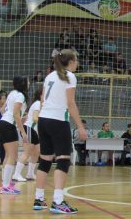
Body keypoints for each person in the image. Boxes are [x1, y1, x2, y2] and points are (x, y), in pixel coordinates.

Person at [34, 49, 87, 213]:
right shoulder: (70, 76)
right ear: (71, 62)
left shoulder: (50, 76)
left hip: (43, 120)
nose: (77, 63)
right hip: (57, 120)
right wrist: (80, 126)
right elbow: (71, 104)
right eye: (76, 60)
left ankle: (39, 199)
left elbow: (42, 100)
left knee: (45, 160)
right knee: (64, 159)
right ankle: (58, 201)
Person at [0, 76, 29, 195]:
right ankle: (5, 186)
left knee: (8, 155)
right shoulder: (20, 95)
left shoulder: (12, 93)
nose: (29, 83)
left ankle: (5, 184)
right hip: (9, 125)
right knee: (12, 155)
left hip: (3, 123)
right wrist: (23, 132)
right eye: (27, 81)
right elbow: (15, 114)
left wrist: (20, 118)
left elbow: (2, 110)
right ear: (23, 83)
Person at [13, 87, 42, 182]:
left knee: (36, 152)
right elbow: (34, 118)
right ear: (41, 94)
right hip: (29, 128)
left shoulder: (39, 104)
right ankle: (16, 175)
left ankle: (30, 174)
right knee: (27, 152)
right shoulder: (38, 103)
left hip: (34, 131)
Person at [0, 91, 7, 165]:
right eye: (3, 98)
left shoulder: (7, 108)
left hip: (3, 129)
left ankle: (3, 161)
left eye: (5, 98)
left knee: (3, 146)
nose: (5, 100)